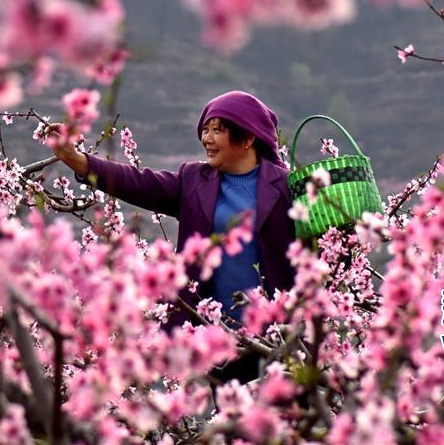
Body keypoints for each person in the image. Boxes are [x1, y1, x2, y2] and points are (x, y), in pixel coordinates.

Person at [49, 90, 296, 383]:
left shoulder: (285, 187)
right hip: (221, 338)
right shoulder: (194, 182)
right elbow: (138, 183)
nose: (207, 139)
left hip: (281, 335)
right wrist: (80, 162)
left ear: (248, 137)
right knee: (236, 423)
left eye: (218, 130)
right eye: (205, 130)